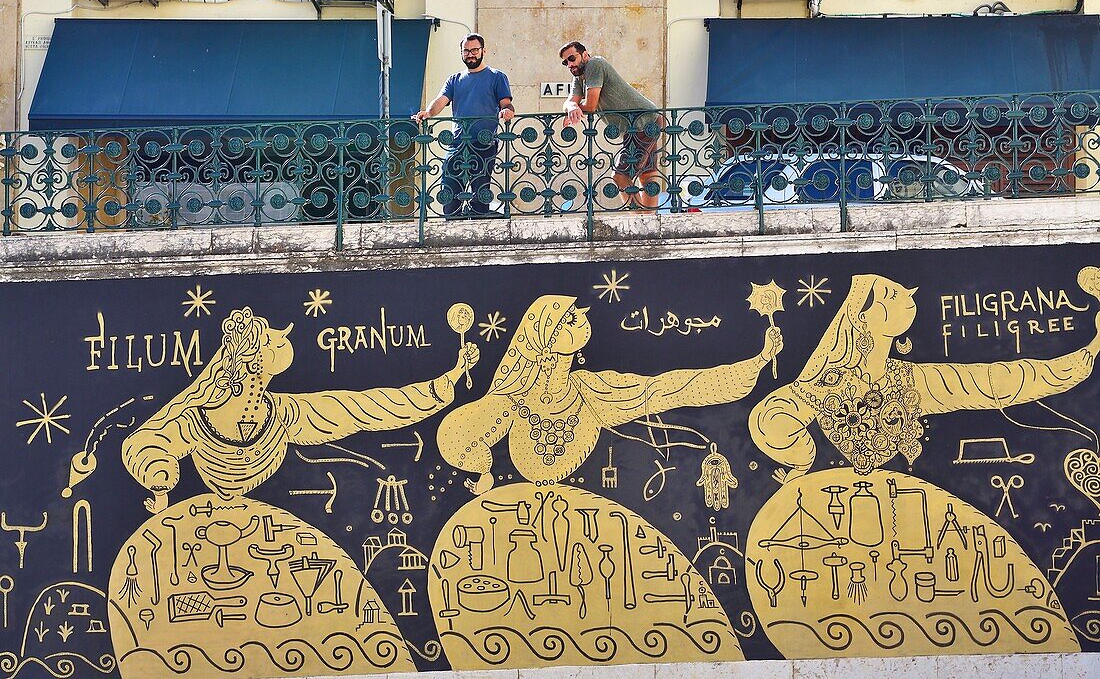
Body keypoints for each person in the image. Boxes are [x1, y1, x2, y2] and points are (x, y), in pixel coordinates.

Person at [93, 306, 479, 678]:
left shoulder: (282, 413)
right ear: (252, 359)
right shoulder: (197, 416)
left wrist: (443, 383)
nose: (283, 347)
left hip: (264, 536)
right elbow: (149, 443)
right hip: (197, 534)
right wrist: (161, 481)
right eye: (273, 344)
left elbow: (363, 408)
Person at [745, 269, 1100, 658]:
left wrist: (1087, 354)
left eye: (904, 293)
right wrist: (801, 460)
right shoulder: (826, 384)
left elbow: (993, 381)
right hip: (832, 529)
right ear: (863, 317)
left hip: (909, 527)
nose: (906, 297)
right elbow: (770, 419)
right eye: (891, 295)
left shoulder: (910, 380)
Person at [429, 294, 782, 668]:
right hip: (516, 548)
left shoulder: (591, 392)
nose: (582, 317)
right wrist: (482, 471)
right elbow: (457, 437)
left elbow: (670, 387)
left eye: (579, 314)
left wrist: (755, 363)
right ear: (544, 339)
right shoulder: (513, 400)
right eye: (569, 319)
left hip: (593, 538)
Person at [414, 33, 514, 218]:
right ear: (461, 53)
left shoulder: (496, 77)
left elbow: (506, 103)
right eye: (466, 51)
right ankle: (451, 222)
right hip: (458, 142)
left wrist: (507, 111)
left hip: (484, 141)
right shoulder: (454, 79)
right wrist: (428, 113)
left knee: (481, 188)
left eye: (475, 50)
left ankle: (479, 224)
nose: (470, 54)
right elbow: (440, 101)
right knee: (449, 184)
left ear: (483, 51)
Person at [560, 41, 664, 212]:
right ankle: (650, 219)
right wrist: (571, 107)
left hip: (643, 122)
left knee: (620, 175)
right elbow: (571, 101)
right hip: (639, 124)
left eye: (572, 58)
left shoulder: (595, 64)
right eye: (566, 62)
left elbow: (591, 105)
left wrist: (576, 108)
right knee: (647, 175)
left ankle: (642, 221)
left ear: (585, 55)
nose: (570, 64)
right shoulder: (579, 76)